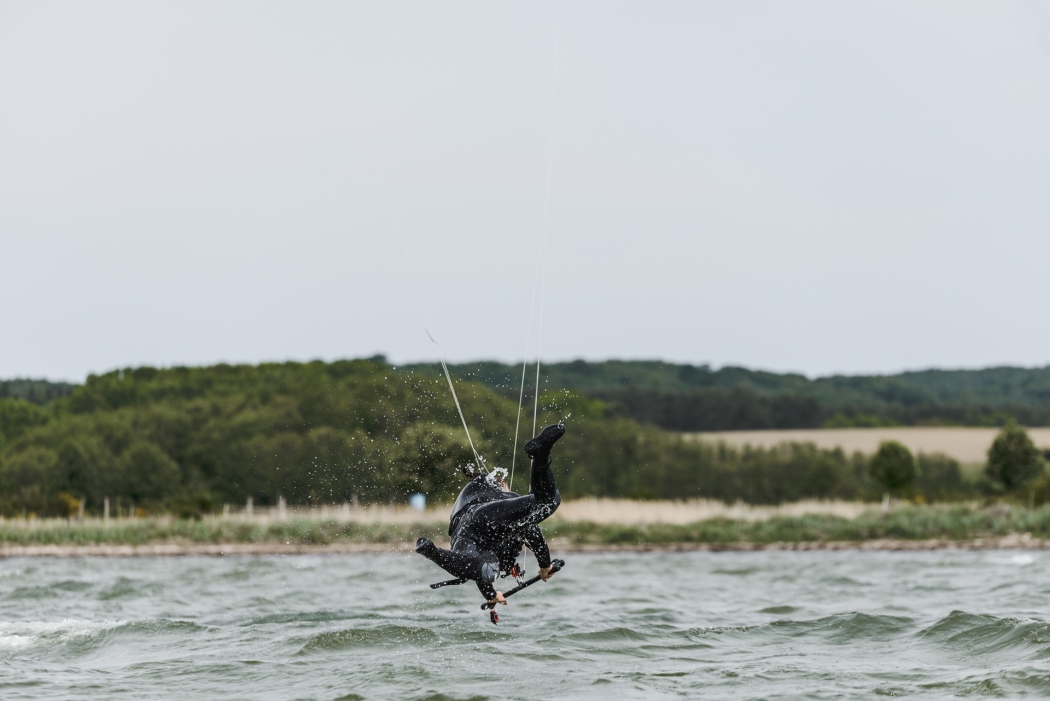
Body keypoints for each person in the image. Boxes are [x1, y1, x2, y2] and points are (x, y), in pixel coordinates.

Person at [415, 423, 565, 606]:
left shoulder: (474, 499)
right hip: (483, 519)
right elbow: (533, 533)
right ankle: (540, 454)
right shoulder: (498, 493)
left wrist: (490, 594)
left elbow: (482, 570)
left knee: (482, 567)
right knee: (547, 501)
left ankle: (432, 551)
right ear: (501, 485)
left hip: (470, 532)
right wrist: (545, 564)